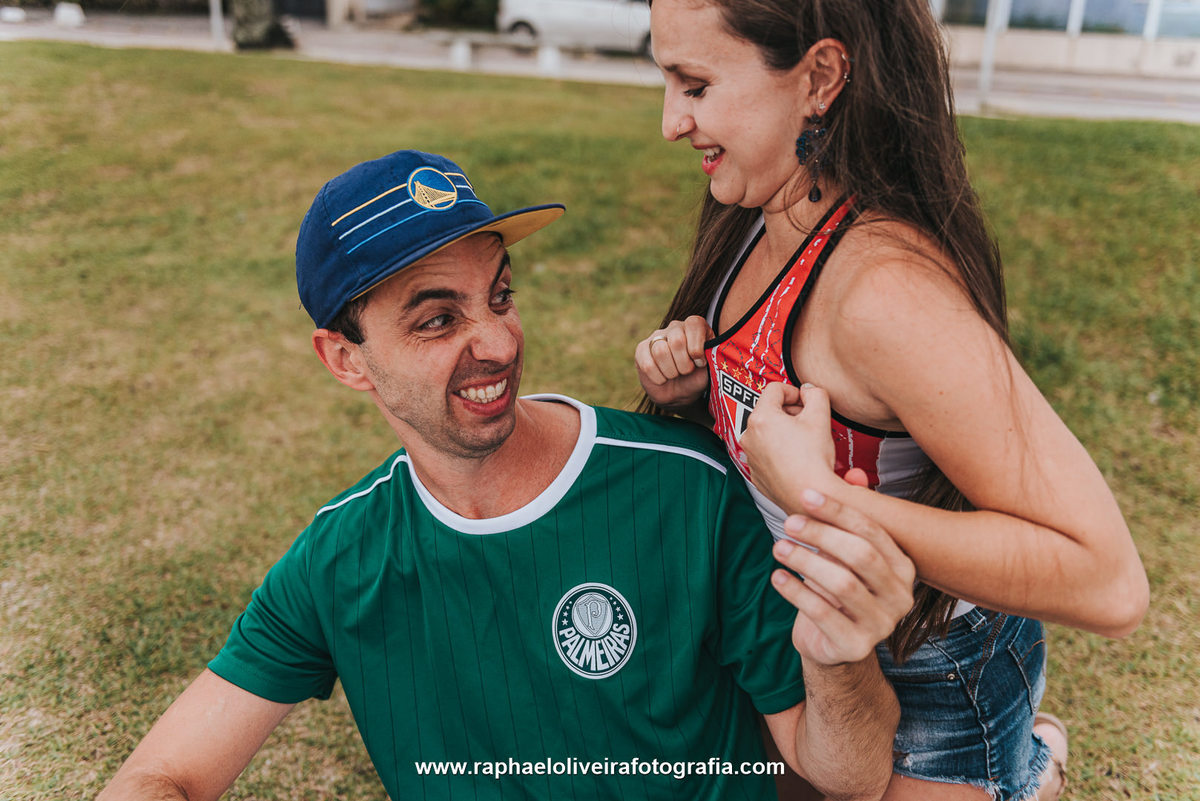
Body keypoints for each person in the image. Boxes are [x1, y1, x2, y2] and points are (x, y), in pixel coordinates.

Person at [98, 149, 919, 801]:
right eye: (438, 319)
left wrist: (840, 655)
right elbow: (163, 773)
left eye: (499, 295)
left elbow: (845, 775)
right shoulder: (337, 560)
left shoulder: (683, 488)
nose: (496, 342)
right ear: (346, 360)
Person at [634, 1, 1150, 799]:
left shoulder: (884, 291)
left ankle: (1030, 770)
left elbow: (1108, 581)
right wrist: (692, 394)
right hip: (804, 635)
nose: (671, 122)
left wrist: (824, 500)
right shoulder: (758, 204)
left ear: (820, 78)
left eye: (695, 84)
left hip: (936, 676)